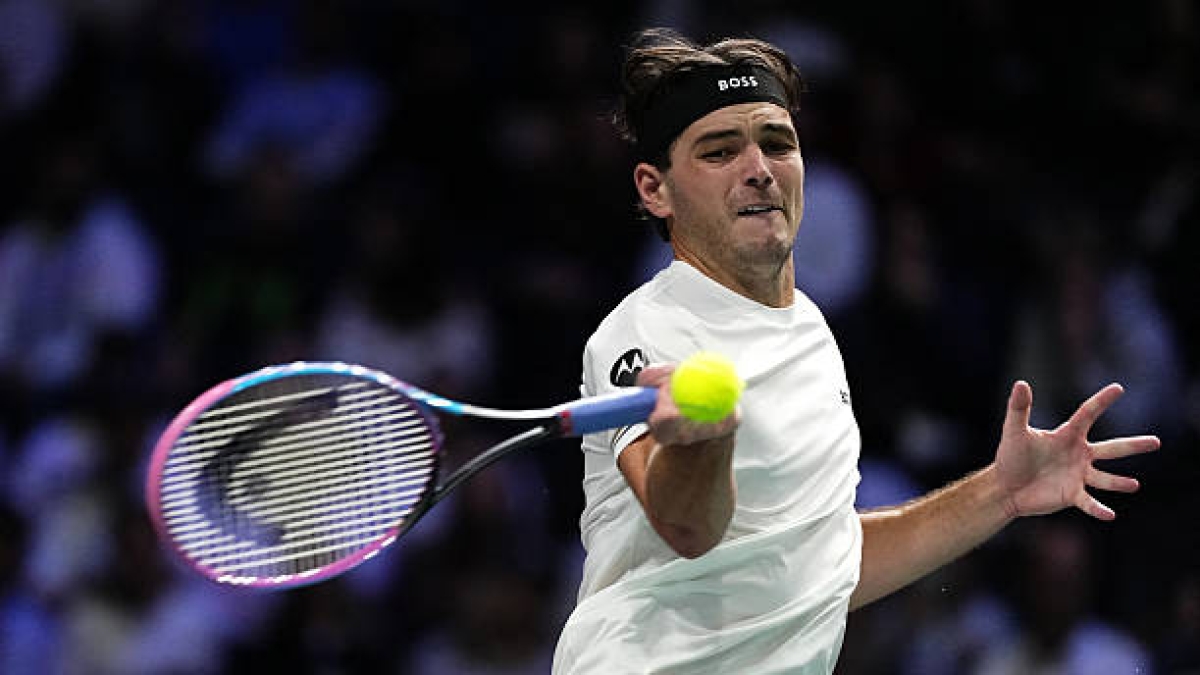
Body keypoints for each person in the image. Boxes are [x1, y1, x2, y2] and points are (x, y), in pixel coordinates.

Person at [552, 28, 1160, 674]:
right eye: (719, 150)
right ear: (656, 190)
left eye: (777, 142)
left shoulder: (812, 335)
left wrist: (1001, 492)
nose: (758, 167)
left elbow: (824, 570)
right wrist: (704, 443)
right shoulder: (644, 329)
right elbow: (689, 527)